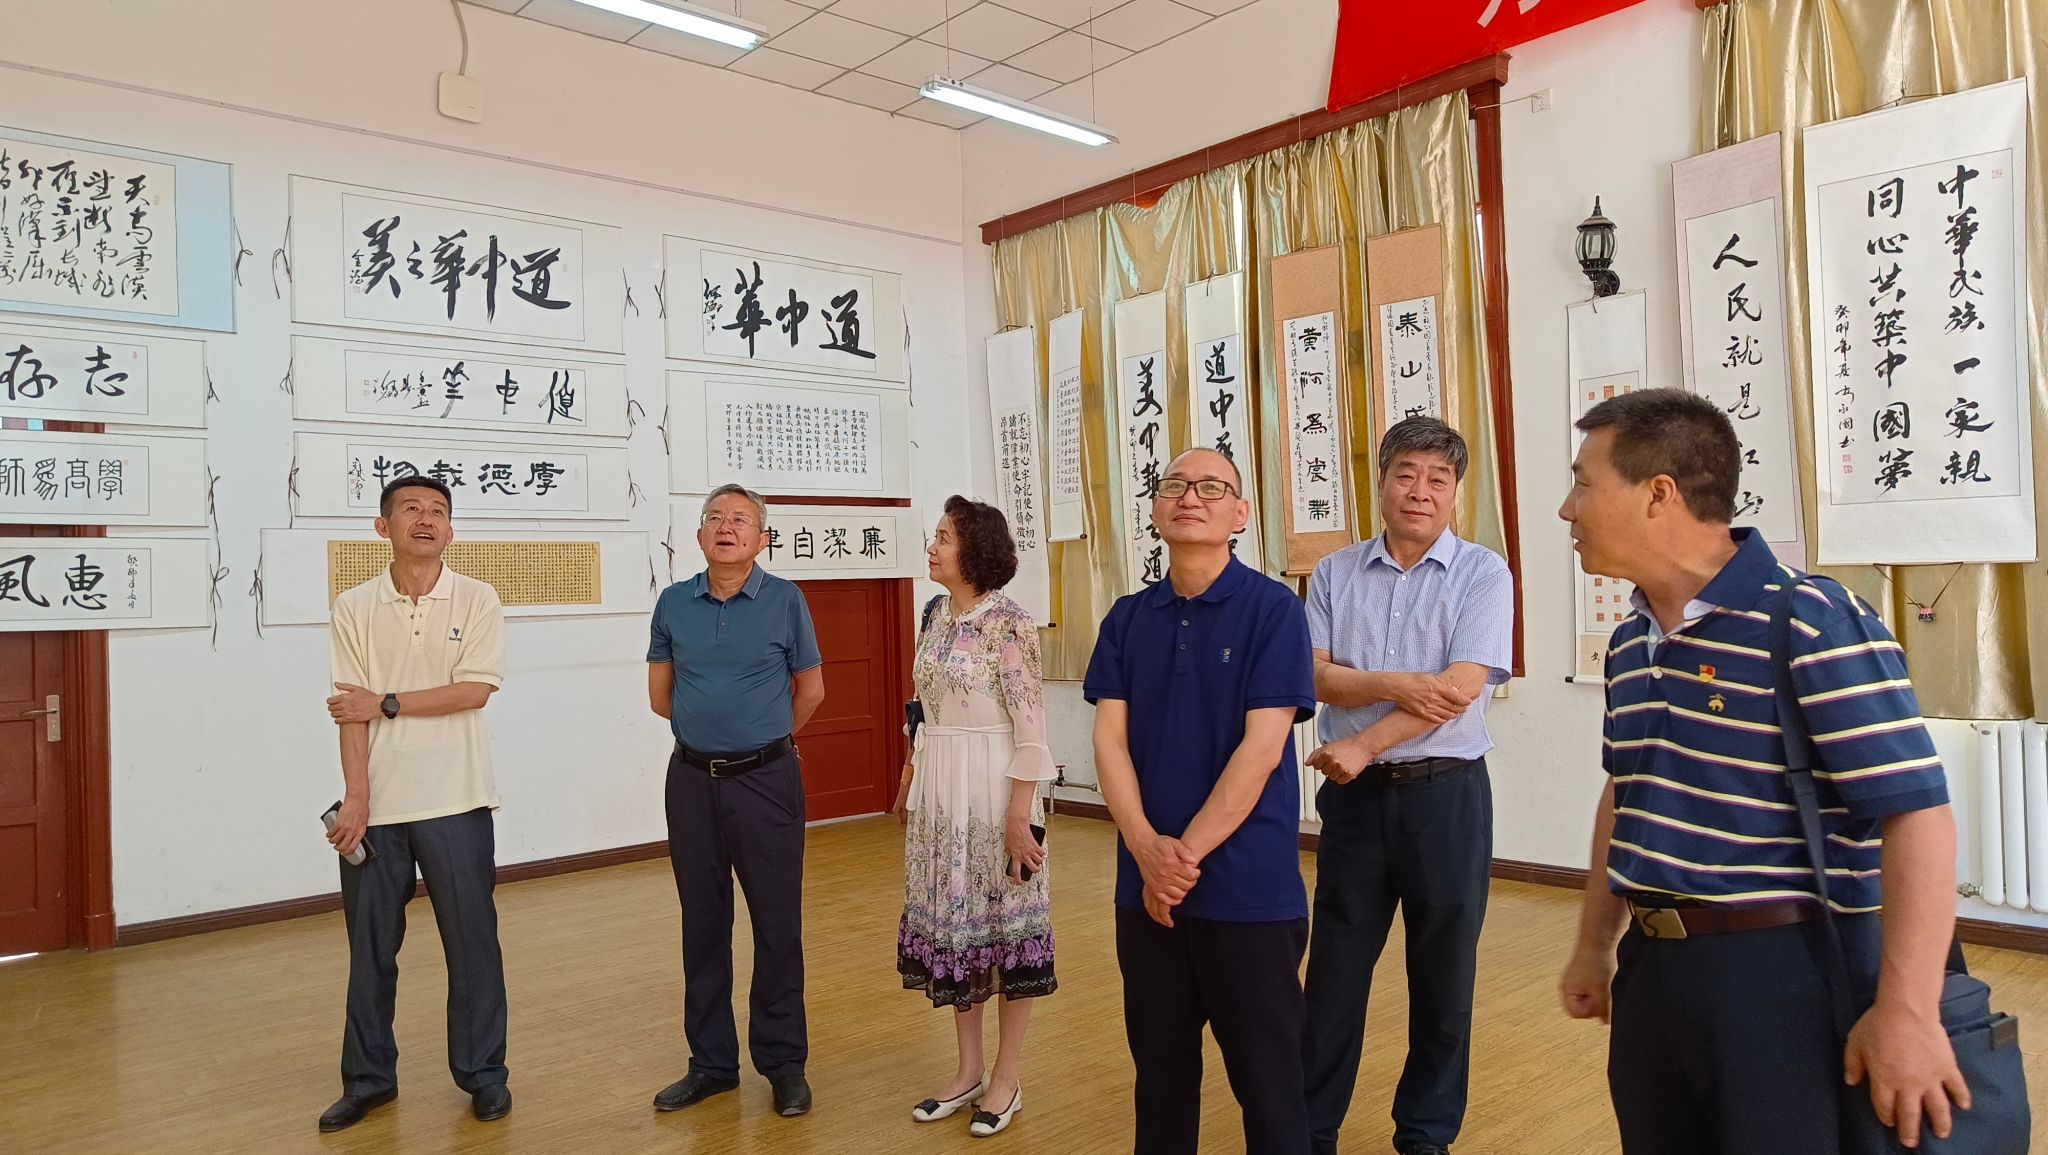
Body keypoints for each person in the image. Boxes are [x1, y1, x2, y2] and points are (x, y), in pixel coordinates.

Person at [1556, 389, 1965, 1154]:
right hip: (1653, 968)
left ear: (1658, 493)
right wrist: (1594, 942)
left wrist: (1908, 1011)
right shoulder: (1630, 641)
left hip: (1782, 971)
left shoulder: (1809, 620)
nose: (1567, 509)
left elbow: (1918, 815)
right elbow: (1628, 791)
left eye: (1583, 484)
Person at [1085, 447, 1319, 1155]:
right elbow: (1109, 741)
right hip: (1147, 895)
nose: (1190, 497)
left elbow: (1262, 748)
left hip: (1248, 894)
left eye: (1212, 488)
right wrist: (1144, 849)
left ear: (1240, 514)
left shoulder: (1274, 611)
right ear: (1156, 510)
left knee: (1271, 1091)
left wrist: (1177, 858)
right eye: (1175, 486)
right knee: (1160, 1082)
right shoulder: (1127, 619)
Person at [1300, 418, 1513, 1155]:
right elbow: (1314, 673)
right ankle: (1309, 1131)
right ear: (1382, 480)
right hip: (1355, 804)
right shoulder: (1334, 572)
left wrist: (1362, 740)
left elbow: (1459, 688)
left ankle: (1425, 1136)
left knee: (1444, 980)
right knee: (1334, 976)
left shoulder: (1484, 573)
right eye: (1407, 474)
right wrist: (1397, 683)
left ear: (1456, 492)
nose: (1420, 491)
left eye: (1437, 479)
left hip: (1446, 797)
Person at [318, 474, 511, 1132]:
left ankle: (484, 1074)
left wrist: (388, 702)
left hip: (458, 799)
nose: (425, 519)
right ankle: (368, 1079)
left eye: (437, 510)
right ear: (384, 526)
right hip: (378, 810)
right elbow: (350, 711)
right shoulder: (353, 607)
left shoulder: (478, 598)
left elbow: (475, 690)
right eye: (410, 509)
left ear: (450, 530)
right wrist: (356, 799)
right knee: (370, 952)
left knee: (473, 945)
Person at [647, 483, 826, 1119]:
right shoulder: (674, 602)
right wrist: (713, 733)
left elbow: (810, 690)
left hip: (766, 782)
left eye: (741, 520)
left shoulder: (786, 600)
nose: (727, 527)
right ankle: (711, 1064)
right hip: (691, 782)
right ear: (700, 535)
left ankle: (784, 1064)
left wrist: (764, 740)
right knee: (702, 923)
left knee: (777, 925)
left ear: (761, 538)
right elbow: (660, 696)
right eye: (716, 518)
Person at [893, 495, 1056, 1138]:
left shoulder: (1010, 623)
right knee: (960, 932)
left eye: (943, 538)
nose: (931, 547)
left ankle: (1006, 1079)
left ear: (976, 551)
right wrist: (909, 778)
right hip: (941, 790)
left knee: (1007, 932)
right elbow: (922, 708)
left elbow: (1032, 728)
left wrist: (1019, 817)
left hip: (996, 788)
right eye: (934, 536)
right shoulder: (934, 614)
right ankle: (967, 1071)